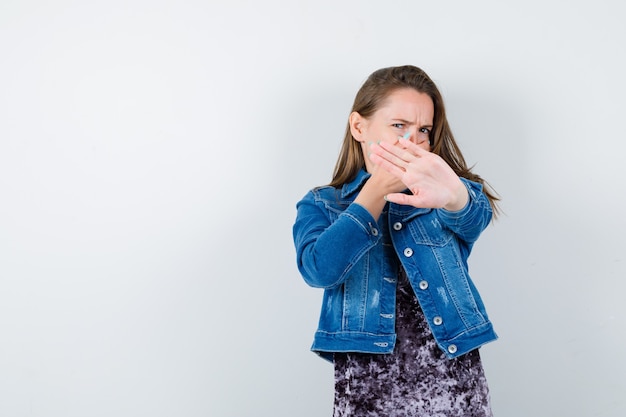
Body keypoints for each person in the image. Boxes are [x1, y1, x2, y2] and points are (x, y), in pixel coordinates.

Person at [292, 65, 500, 416]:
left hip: (453, 379)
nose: (412, 142)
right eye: (398, 126)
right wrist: (373, 194)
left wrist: (454, 194)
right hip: (367, 383)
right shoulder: (323, 203)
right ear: (359, 126)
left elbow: (474, 217)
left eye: (423, 130)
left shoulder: (443, 194)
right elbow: (319, 271)